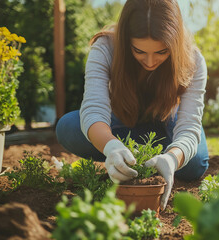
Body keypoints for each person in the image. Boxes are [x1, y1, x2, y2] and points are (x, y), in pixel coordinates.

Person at [55, 0, 209, 210]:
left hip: (168, 126)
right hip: (122, 123)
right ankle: (128, 154)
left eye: (162, 52)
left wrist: (172, 159)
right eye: (139, 51)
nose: (150, 62)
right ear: (126, 40)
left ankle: (153, 158)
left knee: (194, 163)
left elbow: (189, 126)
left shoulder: (194, 61)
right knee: (69, 127)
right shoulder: (105, 48)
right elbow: (93, 108)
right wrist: (110, 146)